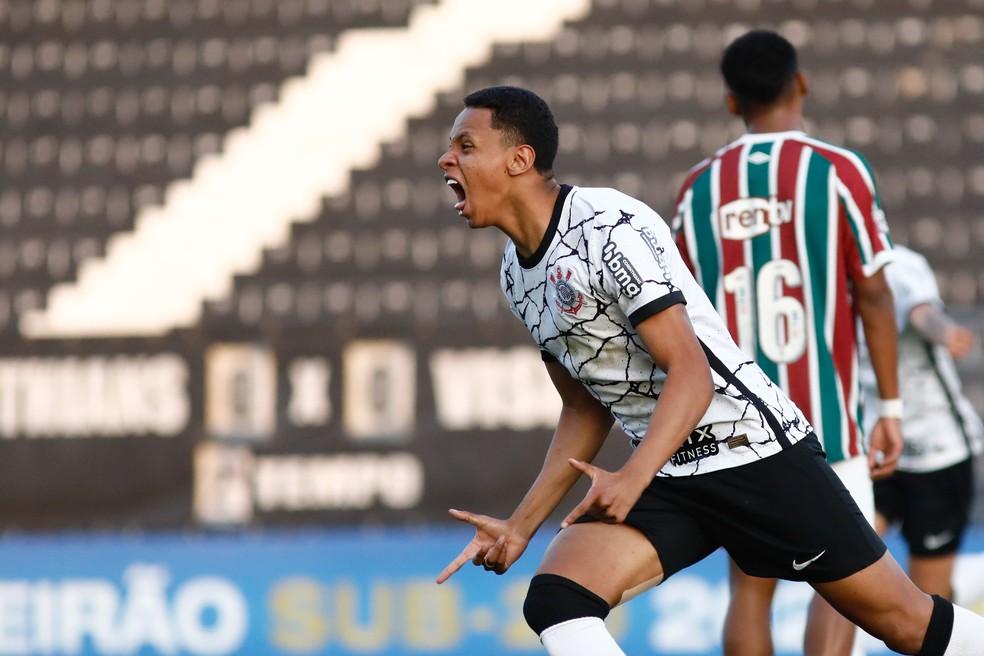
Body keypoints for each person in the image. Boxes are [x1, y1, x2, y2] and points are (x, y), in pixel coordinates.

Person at [433, 84, 984, 656]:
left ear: (519, 160)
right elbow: (584, 404)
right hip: (670, 472)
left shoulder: (607, 227)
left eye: (465, 145)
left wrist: (632, 476)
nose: (447, 159)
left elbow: (691, 374)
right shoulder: (516, 274)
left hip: (754, 454)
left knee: (903, 622)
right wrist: (521, 525)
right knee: (557, 600)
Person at [672, 29, 907, 656]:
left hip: (738, 424)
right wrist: (890, 405)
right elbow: (876, 294)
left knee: (749, 586)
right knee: (850, 584)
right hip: (827, 418)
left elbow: (680, 317)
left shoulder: (696, 189)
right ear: (800, 82)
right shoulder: (836, 171)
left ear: (730, 102)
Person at [859, 244, 984, 600]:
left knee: (930, 603)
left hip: (936, 451)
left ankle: (968, 587)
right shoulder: (819, 273)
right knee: (844, 571)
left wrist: (944, 332)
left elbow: (922, 310)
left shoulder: (900, 265)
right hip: (874, 447)